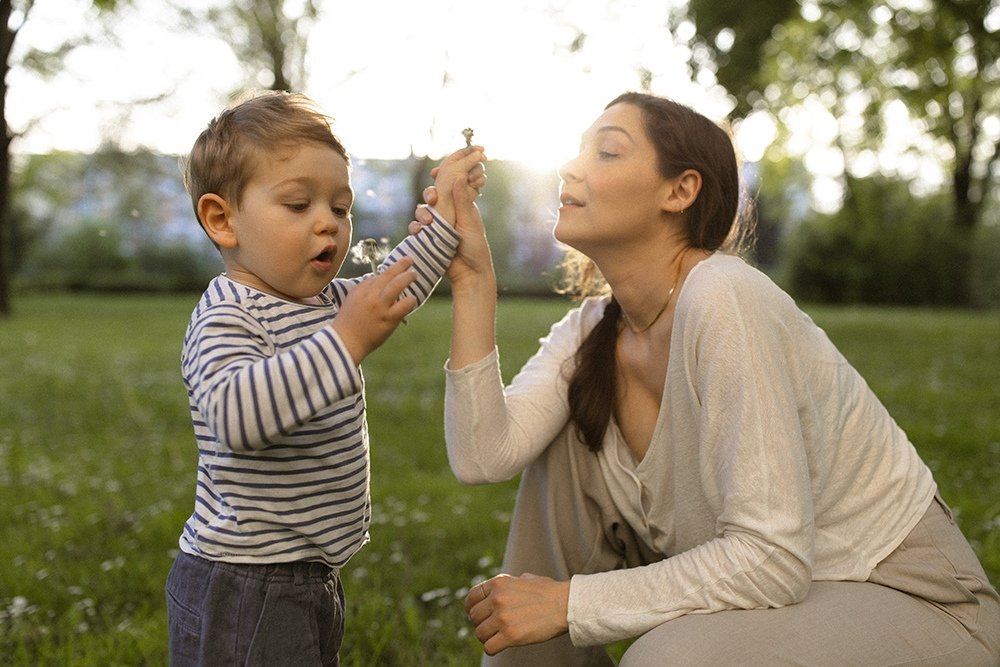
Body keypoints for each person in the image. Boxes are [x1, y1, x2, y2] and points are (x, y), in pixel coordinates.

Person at [418, 91, 1000, 665]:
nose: (571, 167)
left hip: (916, 605)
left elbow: (772, 559)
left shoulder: (724, 296)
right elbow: (482, 456)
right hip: (784, 606)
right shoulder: (591, 330)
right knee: (567, 443)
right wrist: (472, 278)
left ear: (681, 190)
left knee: (669, 660)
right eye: (577, 150)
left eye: (608, 152)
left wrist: (572, 604)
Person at [165, 90, 485, 667]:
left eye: (340, 208)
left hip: (307, 576)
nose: (328, 226)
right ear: (222, 219)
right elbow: (237, 417)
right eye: (298, 205)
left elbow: (400, 280)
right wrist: (347, 339)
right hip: (244, 583)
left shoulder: (326, 302)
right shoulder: (228, 315)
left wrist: (447, 212)